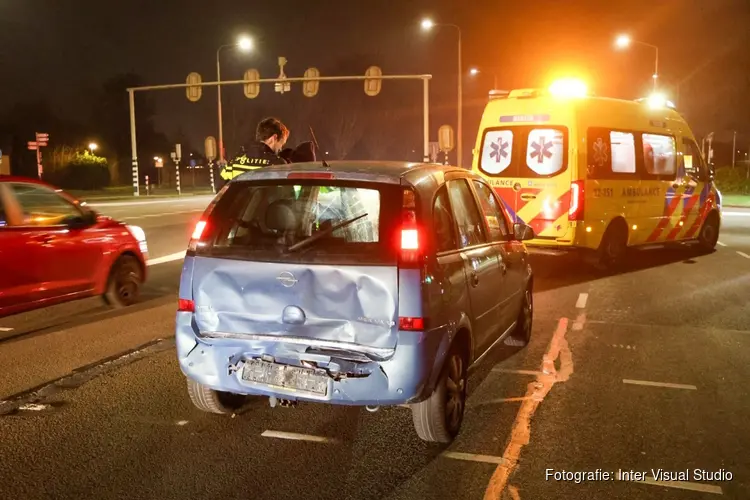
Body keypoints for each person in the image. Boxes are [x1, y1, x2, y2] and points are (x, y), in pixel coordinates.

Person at [220, 117, 290, 184]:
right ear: (273, 138)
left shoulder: (234, 162)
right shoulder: (277, 164)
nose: (280, 149)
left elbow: (221, 189)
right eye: (281, 143)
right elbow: (284, 193)